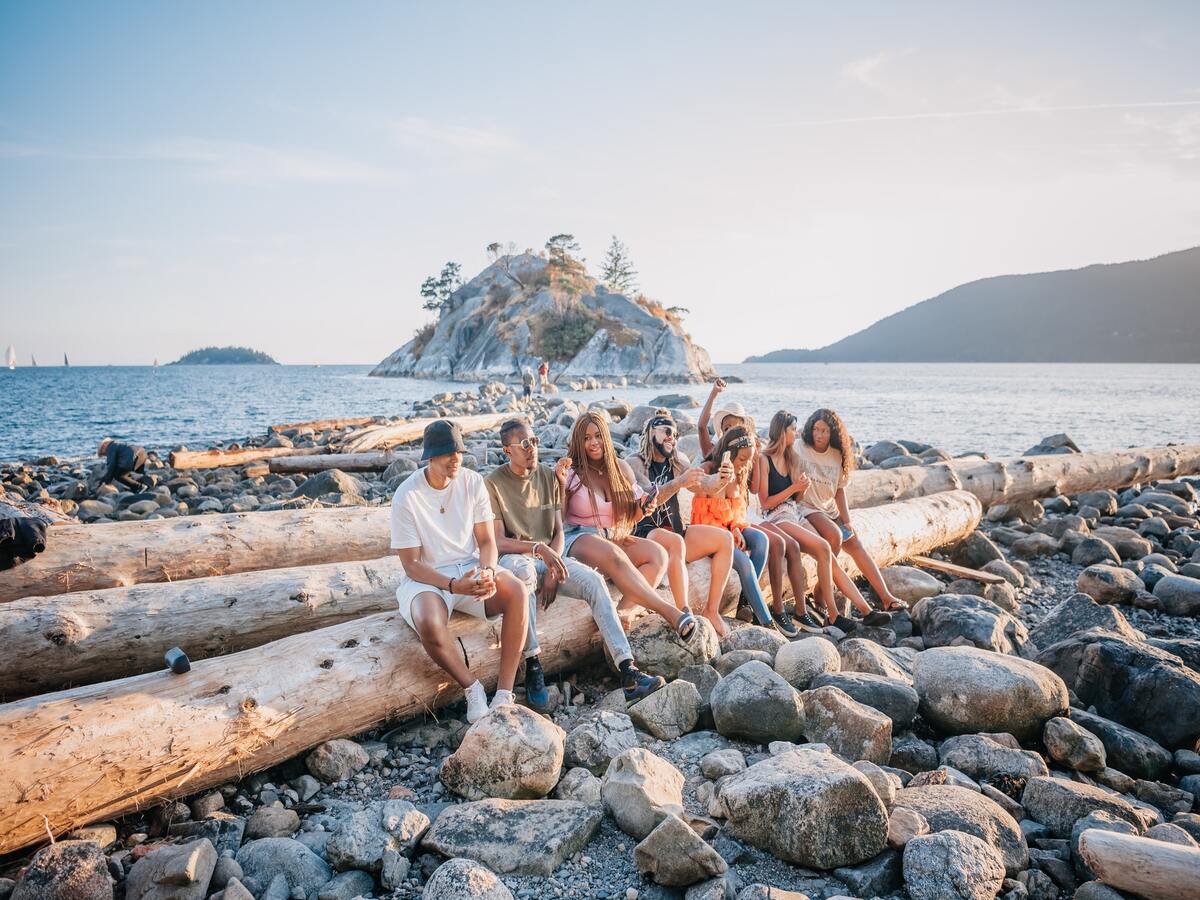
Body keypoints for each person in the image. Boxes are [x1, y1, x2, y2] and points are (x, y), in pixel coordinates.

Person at [486, 418, 666, 706]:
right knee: (525, 577)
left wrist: (554, 564)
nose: (532, 448)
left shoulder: (547, 476)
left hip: (550, 555)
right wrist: (539, 551)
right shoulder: (493, 483)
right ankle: (533, 663)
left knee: (594, 581)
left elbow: (559, 530)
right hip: (516, 558)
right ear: (507, 450)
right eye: (523, 444)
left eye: (533, 441)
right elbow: (497, 542)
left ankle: (628, 670)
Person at [391, 419, 529, 723]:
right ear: (430, 456)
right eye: (447, 453)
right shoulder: (407, 495)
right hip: (428, 577)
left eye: (459, 452)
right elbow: (411, 564)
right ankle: (472, 687)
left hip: (469, 568)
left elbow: (486, 541)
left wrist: (489, 571)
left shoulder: (472, 482)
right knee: (428, 621)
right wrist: (453, 585)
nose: (456, 459)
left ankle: (505, 693)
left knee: (517, 590)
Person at [559, 411, 699, 640]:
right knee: (614, 553)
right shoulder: (572, 472)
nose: (593, 442)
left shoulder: (620, 469)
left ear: (605, 436)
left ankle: (622, 612)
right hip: (578, 537)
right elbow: (559, 517)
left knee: (658, 555)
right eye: (586, 438)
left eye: (597, 436)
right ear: (578, 441)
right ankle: (671, 613)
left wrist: (644, 506)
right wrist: (561, 485)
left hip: (612, 536)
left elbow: (633, 516)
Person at [626, 411, 762, 637]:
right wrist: (679, 483)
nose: (672, 437)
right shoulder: (634, 463)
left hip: (677, 532)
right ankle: (683, 610)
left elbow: (705, 486)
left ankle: (711, 611)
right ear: (651, 433)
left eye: (675, 433)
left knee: (724, 539)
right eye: (666, 432)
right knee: (675, 541)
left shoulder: (678, 461)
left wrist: (721, 478)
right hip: (647, 534)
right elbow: (647, 498)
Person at [758, 411, 892, 631]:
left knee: (830, 553)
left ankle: (867, 611)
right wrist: (795, 489)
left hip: (794, 513)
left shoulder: (791, 457)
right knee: (825, 546)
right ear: (783, 432)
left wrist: (801, 489)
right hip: (778, 518)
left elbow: (797, 498)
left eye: (824, 431)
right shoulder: (768, 458)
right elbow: (765, 503)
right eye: (793, 429)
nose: (798, 433)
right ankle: (832, 613)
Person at [690, 425, 807, 636]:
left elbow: (737, 511)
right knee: (744, 563)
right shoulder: (708, 469)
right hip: (708, 533)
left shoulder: (740, 471)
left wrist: (735, 527)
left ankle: (746, 600)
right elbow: (704, 510)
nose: (744, 465)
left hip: (729, 528)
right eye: (742, 459)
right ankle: (767, 622)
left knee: (761, 540)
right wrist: (728, 530)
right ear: (729, 452)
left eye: (749, 460)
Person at [796, 408, 909, 613]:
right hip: (806, 507)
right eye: (816, 429)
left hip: (828, 508)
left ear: (833, 434)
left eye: (825, 431)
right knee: (833, 536)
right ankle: (820, 594)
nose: (819, 435)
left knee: (855, 543)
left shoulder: (837, 455)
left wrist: (846, 520)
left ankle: (886, 598)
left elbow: (839, 491)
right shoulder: (800, 447)